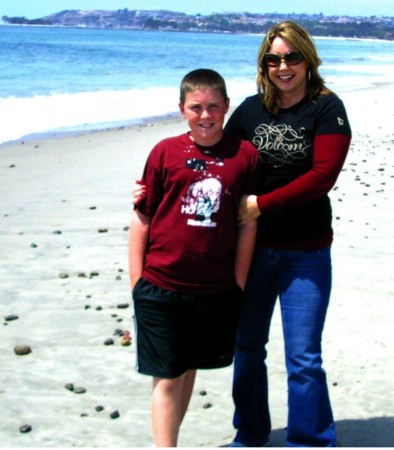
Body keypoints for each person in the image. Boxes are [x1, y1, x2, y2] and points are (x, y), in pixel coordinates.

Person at [222, 21, 352, 447]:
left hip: (306, 252)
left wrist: (261, 203)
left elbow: (321, 177)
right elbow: (219, 163)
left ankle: (310, 440)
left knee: (303, 358)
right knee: (247, 347)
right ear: (265, 64)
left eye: (292, 56)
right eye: (274, 59)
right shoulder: (249, 111)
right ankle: (251, 435)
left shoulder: (327, 109)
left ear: (307, 59)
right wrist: (159, 185)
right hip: (252, 250)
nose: (283, 66)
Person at [128, 68, 260, 447]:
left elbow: (247, 224)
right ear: (182, 109)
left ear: (226, 107)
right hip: (161, 285)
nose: (206, 115)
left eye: (213, 107)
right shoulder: (165, 152)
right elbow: (142, 218)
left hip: (214, 289)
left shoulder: (244, 156)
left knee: (187, 370)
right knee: (167, 376)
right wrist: (137, 283)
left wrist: (238, 281)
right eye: (196, 107)